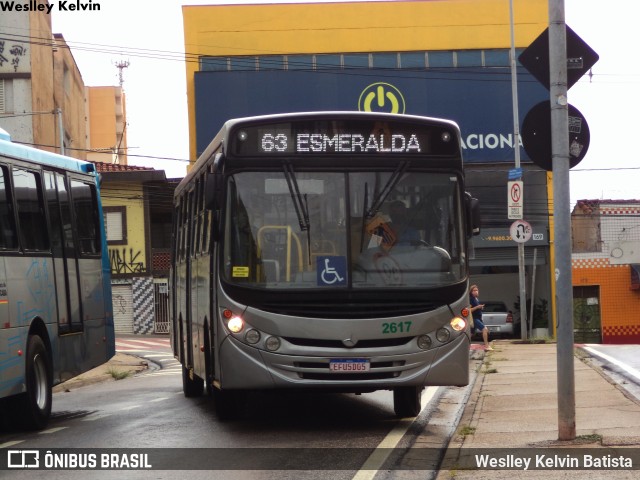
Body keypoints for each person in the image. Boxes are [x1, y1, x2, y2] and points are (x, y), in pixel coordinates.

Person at [469, 284, 493, 351]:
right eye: (474, 290)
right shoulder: (471, 299)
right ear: (471, 292)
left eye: (477, 290)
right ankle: (487, 346)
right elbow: (469, 310)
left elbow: (477, 308)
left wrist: (480, 307)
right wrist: (477, 307)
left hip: (478, 318)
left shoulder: (476, 299)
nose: (476, 292)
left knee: (471, 334)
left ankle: (464, 346)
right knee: (484, 329)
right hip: (474, 319)